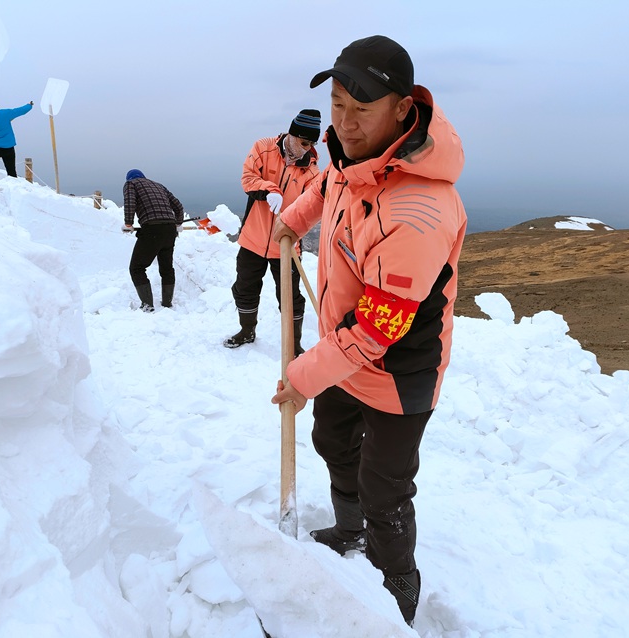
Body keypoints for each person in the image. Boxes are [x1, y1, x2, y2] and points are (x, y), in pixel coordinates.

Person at [270, 35, 467, 626]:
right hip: (342, 355)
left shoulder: (419, 211)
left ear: (403, 109)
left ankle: (396, 587)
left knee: (387, 491)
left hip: (397, 375)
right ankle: (348, 528)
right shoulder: (353, 161)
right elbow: (327, 189)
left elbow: (377, 333)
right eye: (337, 105)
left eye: (362, 108)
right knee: (332, 442)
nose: (345, 123)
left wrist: (302, 376)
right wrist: (291, 220)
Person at [224, 109, 323, 353]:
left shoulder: (311, 171)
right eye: (304, 142)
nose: (308, 148)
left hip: (287, 243)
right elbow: (248, 178)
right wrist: (269, 190)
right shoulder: (263, 148)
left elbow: (314, 208)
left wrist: (292, 223)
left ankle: (294, 344)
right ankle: (247, 331)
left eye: (312, 144)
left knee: (291, 298)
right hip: (252, 238)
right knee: (245, 288)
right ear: (292, 133)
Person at [122, 169, 185, 311]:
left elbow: (130, 201)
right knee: (167, 268)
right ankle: (167, 303)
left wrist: (128, 223)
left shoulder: (131, 184)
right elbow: (178, 205)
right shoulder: (158, 185)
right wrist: (178, 222)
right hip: (169, 229)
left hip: (152, 229)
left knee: (137, 268)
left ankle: (148, 306)